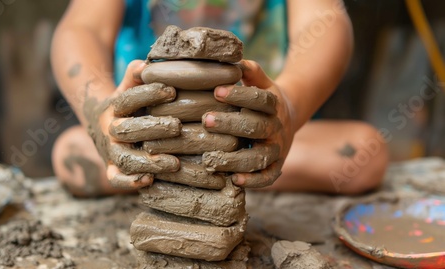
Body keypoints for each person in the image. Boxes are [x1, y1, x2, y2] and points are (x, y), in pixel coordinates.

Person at [50, 0, 389, 197]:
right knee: (73, 154)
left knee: (362, 154)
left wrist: (292, 103)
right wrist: (99, 112)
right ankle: (194, 175)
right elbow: (82, 28)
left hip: (255, 135)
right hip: (149, 138)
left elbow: (325, 20)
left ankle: (228, 171)